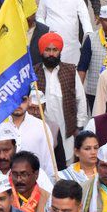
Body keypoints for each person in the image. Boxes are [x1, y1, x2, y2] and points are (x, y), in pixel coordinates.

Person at [35, 32, 88, 166]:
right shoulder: (33, 73)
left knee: (66, 165)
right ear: (42, 51)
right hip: (42, 131)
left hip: (67, 133)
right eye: (47, 50)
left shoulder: (70, 71)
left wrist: (79, 126)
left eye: (55, 50)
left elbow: (80, 99)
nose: (51, 54)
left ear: (60, 51)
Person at [35, 0, 92, 67]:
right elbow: (40, 17)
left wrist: (88, 34)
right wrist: (46, 30)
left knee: (71, 70)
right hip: (51, 41)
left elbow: (84, 16)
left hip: (71, 42)